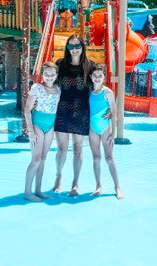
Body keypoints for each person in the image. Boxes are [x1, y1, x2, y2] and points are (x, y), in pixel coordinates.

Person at [53, 35, 94, 196]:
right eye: (70, 46)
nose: (74, 49)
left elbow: (99, 87)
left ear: (82, 47)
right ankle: (58, 176)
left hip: (81, 112)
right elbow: (50, 83)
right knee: (62, 149)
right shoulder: (60, 65)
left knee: (78, 149)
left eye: (77, 46)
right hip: (63, 111)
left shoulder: (90, 66)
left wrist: (110, 106)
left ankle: (75, 183)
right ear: (67, 48)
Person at [23, 61, 60, 202]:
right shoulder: (37, 88)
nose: (49, 77)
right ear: (42, 75)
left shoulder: (58, 89)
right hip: (37, 125)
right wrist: (30, 131)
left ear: (56, 75)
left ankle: (38, 190)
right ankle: (27, 192)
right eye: (46, 74)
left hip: (50, 126)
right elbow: (27, 109)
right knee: (36, 159)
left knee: (43, 158)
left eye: (52, 74)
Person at [89, 64, 124, 199]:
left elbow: (114, 113)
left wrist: (113, 133)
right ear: (91, 77)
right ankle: (98, 186)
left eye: (100, 76)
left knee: (109, 158)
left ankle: (117, 187)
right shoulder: (88, 92)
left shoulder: (108, 92)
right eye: (95, 75)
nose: (97, 78)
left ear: (104, 77)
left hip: (105, 129)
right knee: (96, 158)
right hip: (92, 128)